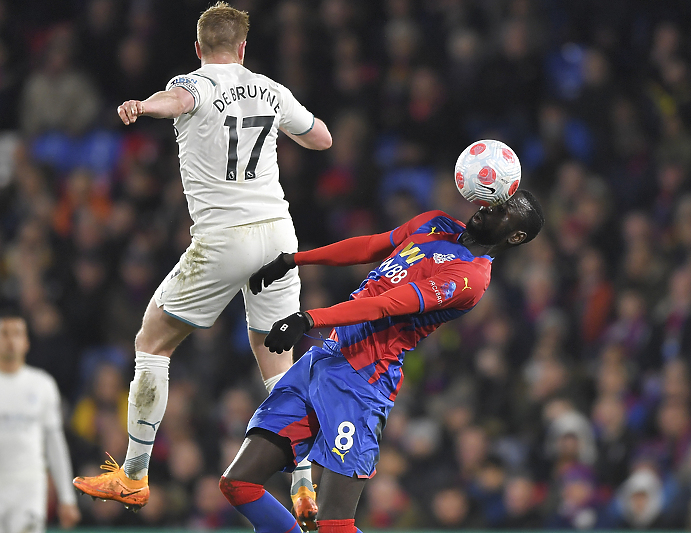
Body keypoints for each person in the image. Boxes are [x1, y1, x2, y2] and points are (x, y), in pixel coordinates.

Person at [72, 2, 332, 528]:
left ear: (197, 49)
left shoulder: (195, 84)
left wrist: (144, 106)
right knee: (278, 364)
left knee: (151, 342)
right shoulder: (271, 89)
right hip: (279, 235)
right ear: (242, 48)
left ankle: (135, 473)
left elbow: (179, 99)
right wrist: (293, 132)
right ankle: (304, 480)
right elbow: (322, 137)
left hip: (224, 238)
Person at [218, 191, 544, 533]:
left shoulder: (470, 279)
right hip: (326, 358)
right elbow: (371, 246)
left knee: (333, 525)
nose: (491, 208)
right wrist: (294, 259)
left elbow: (387, 304)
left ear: (516, 236)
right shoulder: (436, 222)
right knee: (238, 483)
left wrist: (310, 319)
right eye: (497, 200)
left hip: (363, 380)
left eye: (504, 211)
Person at [0, 315, 80, 533]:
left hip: (28, 487)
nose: (10, 340)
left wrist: (67, 498)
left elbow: (55, 444)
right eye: (4, 333)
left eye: (17, 334)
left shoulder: (42, 385)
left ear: (27, 343)